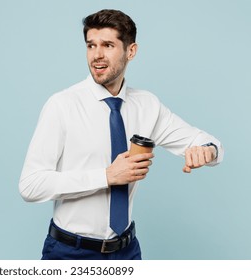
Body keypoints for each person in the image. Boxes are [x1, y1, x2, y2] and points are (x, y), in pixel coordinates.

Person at [19, 9, 224, 260]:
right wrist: (107, 176)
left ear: (131, 51)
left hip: (127, 251)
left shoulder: (147, 105)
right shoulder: (62, 105)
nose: (97, 55)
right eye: (91, 45)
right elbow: (30, 186)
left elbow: (206, 143)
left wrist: (207, 150)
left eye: (107, 45)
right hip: (69, 253)